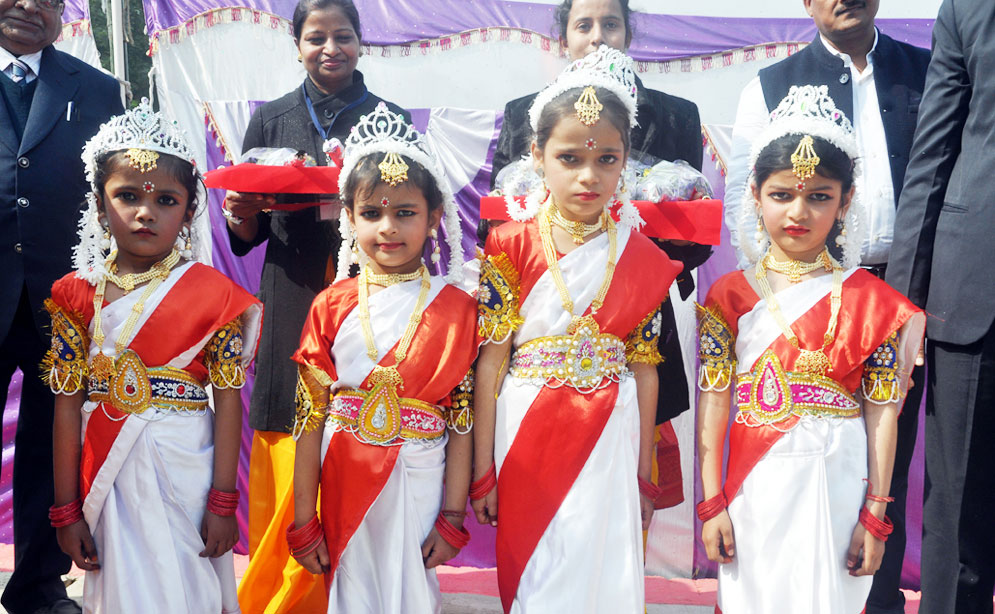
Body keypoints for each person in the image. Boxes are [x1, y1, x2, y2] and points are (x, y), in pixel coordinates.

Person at [722, 3, 929, 608]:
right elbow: (741, 199)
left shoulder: (929, 71)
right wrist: (782, 292)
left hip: (910, 293)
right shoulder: (769, 86)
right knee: (791, 456)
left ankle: (875, 601)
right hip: (804, 290)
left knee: (892, 460)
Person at [472, 47, 681, 613]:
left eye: (606, 159)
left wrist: (644, 472)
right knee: (537, 573)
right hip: (525, 426)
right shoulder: (509, 243)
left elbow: (645, 370)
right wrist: (483, 466)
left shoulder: (642, 256)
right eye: (569, 158)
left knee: (602, 572)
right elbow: (490, 361)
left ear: (625, 161)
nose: (589, 176)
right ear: (537, 156)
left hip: (612, 431)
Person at [42, 100, 262, 612]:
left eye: (166, 199)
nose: (145, 212)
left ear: (188, 212)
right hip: (108, 473)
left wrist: (223, 501)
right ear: (100, 207)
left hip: (186, 469)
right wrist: (65, 510)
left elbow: (229, 401)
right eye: (127, 196)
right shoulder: (75, 294)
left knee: (186, 589)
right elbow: (67, 404)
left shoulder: (215, 295)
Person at [225, 0, 409, 609]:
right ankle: (282, 595)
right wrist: (240, 212)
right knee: (287, 418)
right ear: (297, 44)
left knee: (354, 420)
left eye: (343, 36)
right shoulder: (270, 119)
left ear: (360, 41)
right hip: (292, 294)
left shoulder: (389, 120)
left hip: (369, 298)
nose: (331, 49)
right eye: (316, 37)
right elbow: (245, 236)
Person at [492, 0, 708, 502]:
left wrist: (635, 251)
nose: (597, 36)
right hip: (542, 324)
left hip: (634, 320)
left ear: (628, 33)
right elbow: (500, 222)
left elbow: (694, 239)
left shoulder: (675, 115)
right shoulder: (526, 112)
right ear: (563, 38)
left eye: (611, 24)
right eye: (583, 25)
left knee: (625, 491)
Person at [286, 103, 478, 612]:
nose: (388, 228)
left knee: (411, 592)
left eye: (405, 213)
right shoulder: (331, 303)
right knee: (352, 592)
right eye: (372, 213)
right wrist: (304, 519)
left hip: (420, 471)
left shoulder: (459, 308)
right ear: (349, 218)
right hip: (343, 468)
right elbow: (309, 416)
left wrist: (453, 517)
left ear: (433, 217)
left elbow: (462, 419)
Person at [0, 0, 123, 609]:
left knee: (53, 447)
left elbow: (119, 190)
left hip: (64, 303)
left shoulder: (98, 90)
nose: (30, 7)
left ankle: (37, 588)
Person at [885, 0, 995, 610]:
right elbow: (932, 155)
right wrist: (906, 306)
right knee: (958, 517)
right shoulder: (969, 8)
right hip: (977, 285)